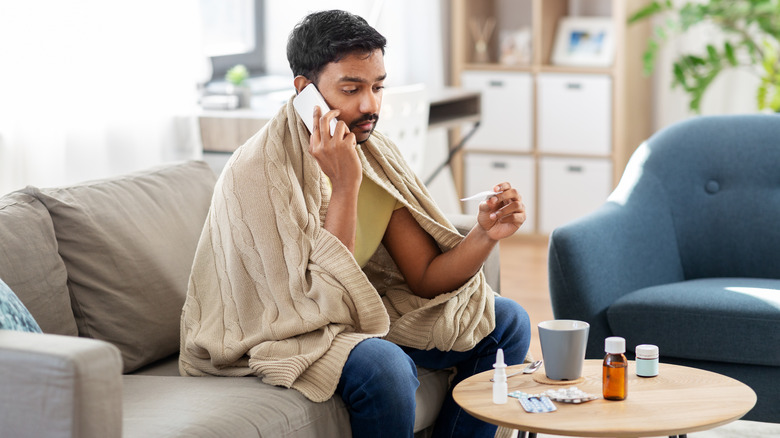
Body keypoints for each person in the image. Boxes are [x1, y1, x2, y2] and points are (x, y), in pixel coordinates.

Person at [180, 9, 531, 438]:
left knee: (508, 320)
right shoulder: (259, 170)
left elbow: (422, 276)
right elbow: (313, 308)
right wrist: (344, 186)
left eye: (378, 87)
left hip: (354, 319)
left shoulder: (373, 153)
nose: (370, 106)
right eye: (351, 89)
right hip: (290, 330)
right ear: (304, 91)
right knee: (385, 366)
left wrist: (483, 234)